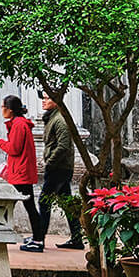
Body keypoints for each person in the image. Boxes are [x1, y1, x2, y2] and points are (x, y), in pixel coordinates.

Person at [25, 89, 84, 252]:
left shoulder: (60, 120)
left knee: (44, 202)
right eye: (42, 98)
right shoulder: (52, 117)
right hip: (60, 167)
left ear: (57, 101)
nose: (43, 101)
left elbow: (63, 146)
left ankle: (39, 239)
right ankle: (77, 239)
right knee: (67, 204)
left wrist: (50, 162)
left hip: (59, 168)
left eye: (47, 99)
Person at [0, 94, 40, 247]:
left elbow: (14, 148)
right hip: (21, 170)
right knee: (27, 205)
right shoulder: (19, 123)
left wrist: (0, 142)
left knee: (24, 205)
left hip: (21, 172)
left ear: (10, 110)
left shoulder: (19, 125)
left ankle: (38, 239)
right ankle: (37, 237)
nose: (2, 110)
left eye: (3, 107)